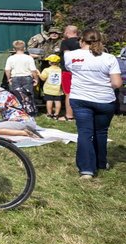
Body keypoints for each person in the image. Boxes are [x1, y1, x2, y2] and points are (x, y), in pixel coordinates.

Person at [65, 29, 122, 179]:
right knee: (101, 132)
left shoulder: (70, 56)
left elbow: (71, 71)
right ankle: (101, 163)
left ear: (81, 40)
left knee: (85, 133)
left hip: (80, 98)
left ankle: (86, 170)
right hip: (104, 99)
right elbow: (117, 83)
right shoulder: (109, 58)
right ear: (100, 41)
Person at [58, 25, 80, 121]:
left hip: (68, 71)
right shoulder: (82, 42)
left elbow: (67, 57)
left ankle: (69, 115)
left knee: (68, 93)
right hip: (81, 70)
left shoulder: (65, 42)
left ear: (67, 32)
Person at [39, 54, 64, 120]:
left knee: (49, 101)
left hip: (48, 89)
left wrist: (38, 73)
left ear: (49, 62)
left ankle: (49, 114)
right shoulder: (61, 70)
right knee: (58, 101)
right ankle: (56, 114)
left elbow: (43, 78)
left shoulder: (46, 70)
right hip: (58, 89)